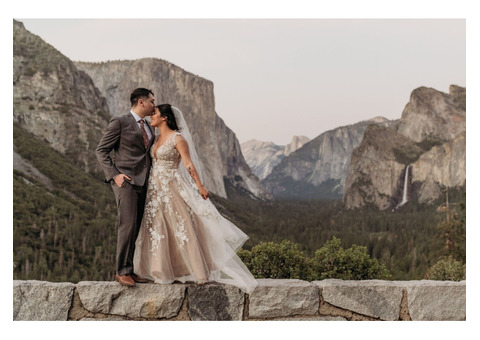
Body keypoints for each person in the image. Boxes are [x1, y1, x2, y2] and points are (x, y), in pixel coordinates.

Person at [133, 104, 257, 293]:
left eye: (154, 113)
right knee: (158, 227)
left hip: (172, 186)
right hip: (154, 190)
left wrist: (200, 186)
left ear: (165, 117)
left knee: (182, 226)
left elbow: (188, 163)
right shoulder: (156, 138)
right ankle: (163, 271)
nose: (151, 117)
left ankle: (198, 271)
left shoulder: (178, 138)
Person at [96, 88, 156, 287]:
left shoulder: (149, 126)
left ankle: (132, 270)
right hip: (126, 182)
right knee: (127, 225)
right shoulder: (120, 122)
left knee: (137, 227)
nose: (153, 105)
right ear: (141, 102)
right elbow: (101, 150)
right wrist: (114, 175)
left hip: (145, 182)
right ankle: (121, 271)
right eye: (151, 101)